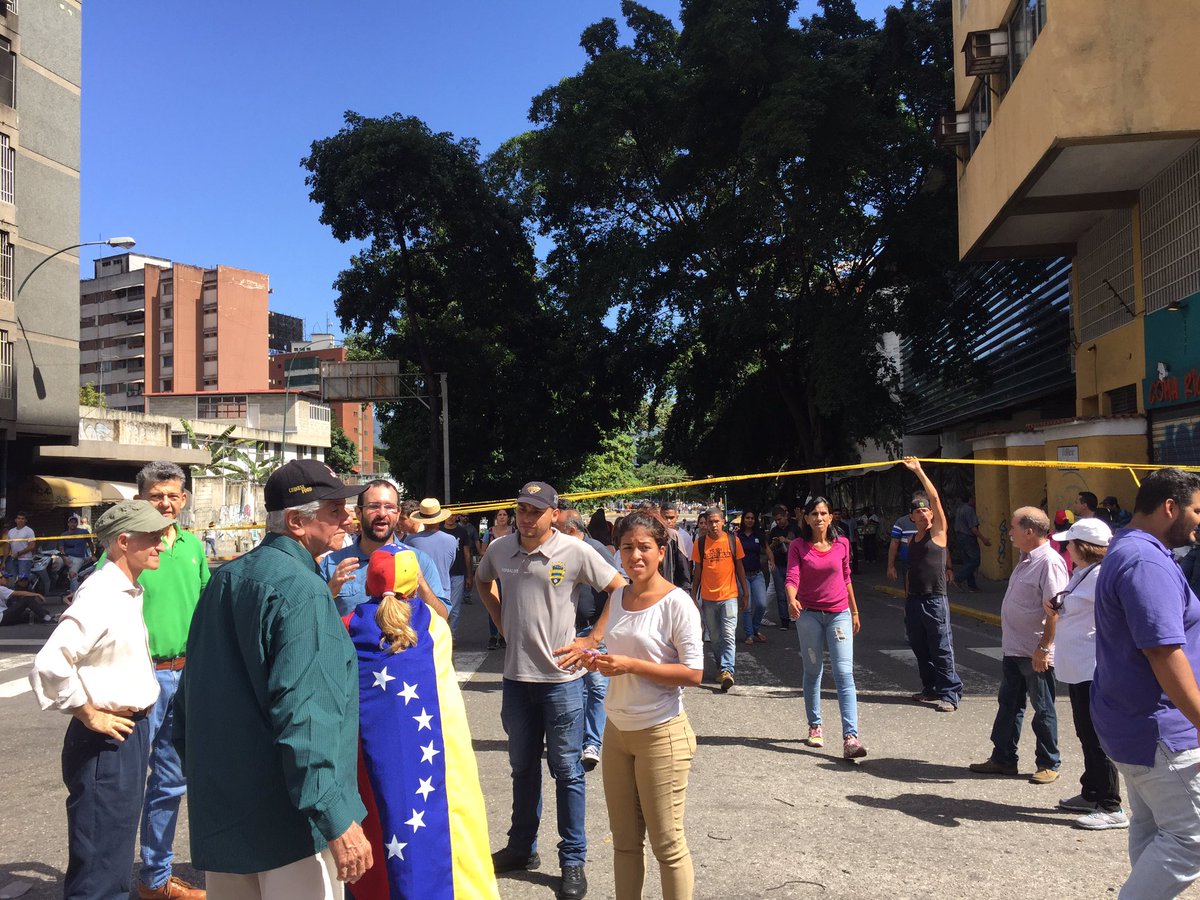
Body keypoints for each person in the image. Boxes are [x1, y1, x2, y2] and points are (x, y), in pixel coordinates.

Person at [176, 459, 373, 898]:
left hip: (227, 813)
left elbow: (189, 703)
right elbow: (307, 716)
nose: (348, 518)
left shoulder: (225, 579)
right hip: (290, 825)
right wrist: (336, 817)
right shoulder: (303, 592)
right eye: (335, 511)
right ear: (297, 522)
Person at [476, 481, 625, 900]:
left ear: (554, 514)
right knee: (522, 769)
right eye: (521, 509)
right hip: (516, 681)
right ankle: (522, 848)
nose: (526, 517)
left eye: (535, 511)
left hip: (561, 683)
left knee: (567, 773)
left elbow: (619, 589)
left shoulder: (574, 551)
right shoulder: (499, 549)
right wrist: (502, 622)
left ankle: (572, 860)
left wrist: (591, 640)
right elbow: (482, 581)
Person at [30, 500, 173, 900]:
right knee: (100, 866)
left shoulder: (126, 588)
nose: (161, 544)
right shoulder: (102, 592)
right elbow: (50, 662)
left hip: (128, 731)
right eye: (152, 537)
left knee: (112, 851)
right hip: (106, 739)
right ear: (123, 542)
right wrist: (88, 712)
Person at [345, 545, 500, 900]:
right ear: (415, 584)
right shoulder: (433, 626)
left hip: (371, 758)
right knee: (437, 832)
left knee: (380, 824)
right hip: (431, 758)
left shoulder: (348, 626)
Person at [1093, 468, 1200, 896]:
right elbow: (1163, 651)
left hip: (1132, 723)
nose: (1199, 519)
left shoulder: (1131, 548)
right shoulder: (1146, 560)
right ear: (1170, 507)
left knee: (1154, 826)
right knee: (1191, 839)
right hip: (1160, 731)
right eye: (1197, 510)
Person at [584, 512, 702, 900]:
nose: (635, 555)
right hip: (616, 733)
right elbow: (603, 643)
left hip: (661, 734)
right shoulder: (618, 596)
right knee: (624, 844)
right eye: (627, 547)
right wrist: (588, 653)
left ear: (661, 551)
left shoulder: (677, 603)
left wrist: (630, 666)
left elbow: (694, 673)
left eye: (644, 547)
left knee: (667, 846)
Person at [110, 461, 212, 900]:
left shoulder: (194, 546)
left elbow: (207, 603)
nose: (166, 503)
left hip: (187, 674)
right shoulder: (127, 546)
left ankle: (155, 879)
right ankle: (108, 880)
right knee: (124, 781)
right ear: (141, 499)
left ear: (184, 499)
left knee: (171, 780)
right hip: (141, 675)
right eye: (157, 496)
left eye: (173, 495)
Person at [969, 506, 1067, 784]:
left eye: (1012, 527)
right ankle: (1003, 758)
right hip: (1014, 647)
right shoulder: (1026, 558)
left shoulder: (1049, 561)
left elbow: (1055, 610)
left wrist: (1044, 648)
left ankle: (1048, 762)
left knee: (1043, 707)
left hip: (1034, 651)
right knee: (1009, 704)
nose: (1009, 531)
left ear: (1028, 531)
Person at [1043, 517, 1125, 830]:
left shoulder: (1102, 575)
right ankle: (1091, 790)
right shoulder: (1083, 572)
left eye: (1071, 543)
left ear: (1083, 547)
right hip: (1077, 667)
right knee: (1084, 733)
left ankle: (1111, 805)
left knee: (1095, 737)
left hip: (1093, 667)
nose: (1067, 547)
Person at [786, 496, 867, 759]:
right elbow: (792, 577)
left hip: (839, 615)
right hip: (809, 615)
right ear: (806, 519)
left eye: (824, 513)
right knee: (813, 670)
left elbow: (846, 578)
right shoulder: (799, 546)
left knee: (844, 673)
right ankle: (815, 726)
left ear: (831, 517)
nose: (819, 518)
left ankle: (851, 738)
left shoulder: (842, 544)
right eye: (814, 514)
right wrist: (791, 599)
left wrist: (854, 610)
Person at [320, 480, 447, 619]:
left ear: (398, 513)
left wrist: (421, 583)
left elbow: (442, 617)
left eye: (389, 507)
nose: (382, 513)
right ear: (358, 512)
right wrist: (330, 590)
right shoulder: (332, 563)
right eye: (373, 506)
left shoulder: (420, 560)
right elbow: (314, 618)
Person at [900, 459, 963, 713]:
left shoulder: (937, 533)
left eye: (927, 510)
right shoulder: (913, 539)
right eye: (919, 511)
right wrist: (906, 602)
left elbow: (935, 498)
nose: (925, 513)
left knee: (941, 647)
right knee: (920, 647)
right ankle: (930, 688)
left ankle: (950, 694)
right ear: (912, 517)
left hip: (935, 599)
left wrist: (918, 471)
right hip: (914, 600)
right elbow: (910, 571)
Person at [560, 513, 619, 773]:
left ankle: (592, 742)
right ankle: (576, 738)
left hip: (591, 630)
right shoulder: (557, 550)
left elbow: (618, 587)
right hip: (566, 632)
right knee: (574, 687)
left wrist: (598, 632)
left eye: (557, 529)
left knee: (596, 686)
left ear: (571, 530)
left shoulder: (594, 550)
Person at [690, 508, 749, 693]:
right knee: (714, 637)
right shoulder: (699, 544)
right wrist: (693, 595)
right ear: (705, 523)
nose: (713, 525)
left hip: (729, 596)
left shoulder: (733, 540)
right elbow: (697, 572)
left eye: (717, 521)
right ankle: (721, 667)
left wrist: (745, 592)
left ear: (723, 521)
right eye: (710, 522)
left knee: (729, 635)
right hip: (708, 598)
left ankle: (726, 670)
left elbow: (739, 567)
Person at [398, 498, 461, 629]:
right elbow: (450, 563)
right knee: (441, 630)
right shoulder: (451, 540)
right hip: (444, 592)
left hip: (420, 593)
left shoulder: (410, 540)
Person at [735, 510, 770, 645]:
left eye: (752, 518)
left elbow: (767, 549)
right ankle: (749, 634)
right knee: (747, 606)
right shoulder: (737, 536)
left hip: (757, 574)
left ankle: (755, 629)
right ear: (743, 520)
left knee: (762, 604)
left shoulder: (758, 535)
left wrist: (771, 560)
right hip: (742, 576)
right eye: (747, 518)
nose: (750, 520)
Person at [482, 509, 514, 651]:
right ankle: (493, 635)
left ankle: (505, 635)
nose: (502, 517)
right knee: (493, 602)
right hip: (494, 572)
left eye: (504, 515)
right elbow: (483, 551)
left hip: (511, 572)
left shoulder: (514, 531)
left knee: (508, 604)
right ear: (496, 518)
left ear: (508, 517)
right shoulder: (489, 532)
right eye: (499, 515)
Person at [952, 494, 990, 592]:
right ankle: (958, 578)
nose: (975, 501)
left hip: (960, 537)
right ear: (970, 499)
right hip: (968, 537)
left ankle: (972, 585)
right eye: (974, 498)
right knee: (974, 560)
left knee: (967, 561)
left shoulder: (959, 509)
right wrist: (983, 539)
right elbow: (973, 527)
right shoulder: (969, 510)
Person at [768, 505, 797, 631]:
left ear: (785, 516)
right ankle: (784, 620)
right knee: (780, 593)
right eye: (776, 520)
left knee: (795, 592)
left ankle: (796, 616)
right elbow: (768, 548)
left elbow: (801, 544)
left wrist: (786, 540)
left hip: (793, 564)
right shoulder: (774, 531)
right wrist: (774, 544)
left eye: (780, 519)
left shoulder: (794, 528)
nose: (778, 522)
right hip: (779, 564)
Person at [886, 501, 921, 589]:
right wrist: (890, 566)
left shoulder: (933, 523)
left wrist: (948, 568)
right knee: (910, 592)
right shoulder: (901, 522)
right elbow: (894, 543)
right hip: (908, 563)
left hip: (928, 564)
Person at [58, 515, 94, 594]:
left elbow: (90, 543)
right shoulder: (64, 534)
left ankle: (74, 594)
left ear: (77, 523)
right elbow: (61, 548)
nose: (73, 524)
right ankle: (54, 585)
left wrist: (93, 554)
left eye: (75, 522)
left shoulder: (84, 532)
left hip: (78, 557)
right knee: (53, 565)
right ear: (68, 524)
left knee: (72, 574)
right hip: (65, 556)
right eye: (71, 522)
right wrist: (64, 558)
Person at [7, 511, 35, 581]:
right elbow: (8, 546)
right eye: (19, 518)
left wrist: (19, 553)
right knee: (12, 580)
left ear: (25, 520)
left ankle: (29, 591)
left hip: (25, 559)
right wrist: (5, 560)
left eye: (22, 519)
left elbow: (32, 546)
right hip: (13, 559)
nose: (20, 520)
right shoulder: (11, 531)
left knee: (23, 581)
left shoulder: (29, 531)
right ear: (15, 520)